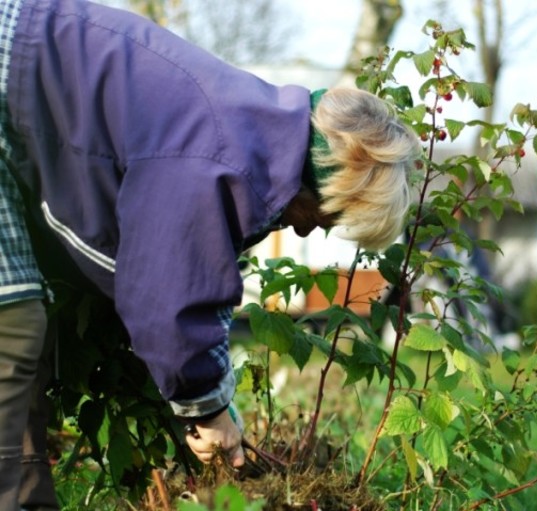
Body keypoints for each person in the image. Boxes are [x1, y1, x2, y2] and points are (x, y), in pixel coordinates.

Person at [0, 0, 421, 508]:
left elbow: (188, 274)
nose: (314, 232)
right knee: (13, 330)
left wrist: (214, 401)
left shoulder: (257, 134)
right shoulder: (220, 156)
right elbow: (165, 296)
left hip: (21, 81)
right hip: (8, 75)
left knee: (18, 326)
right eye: (331, 218)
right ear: (330, 181)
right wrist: (208, 412)